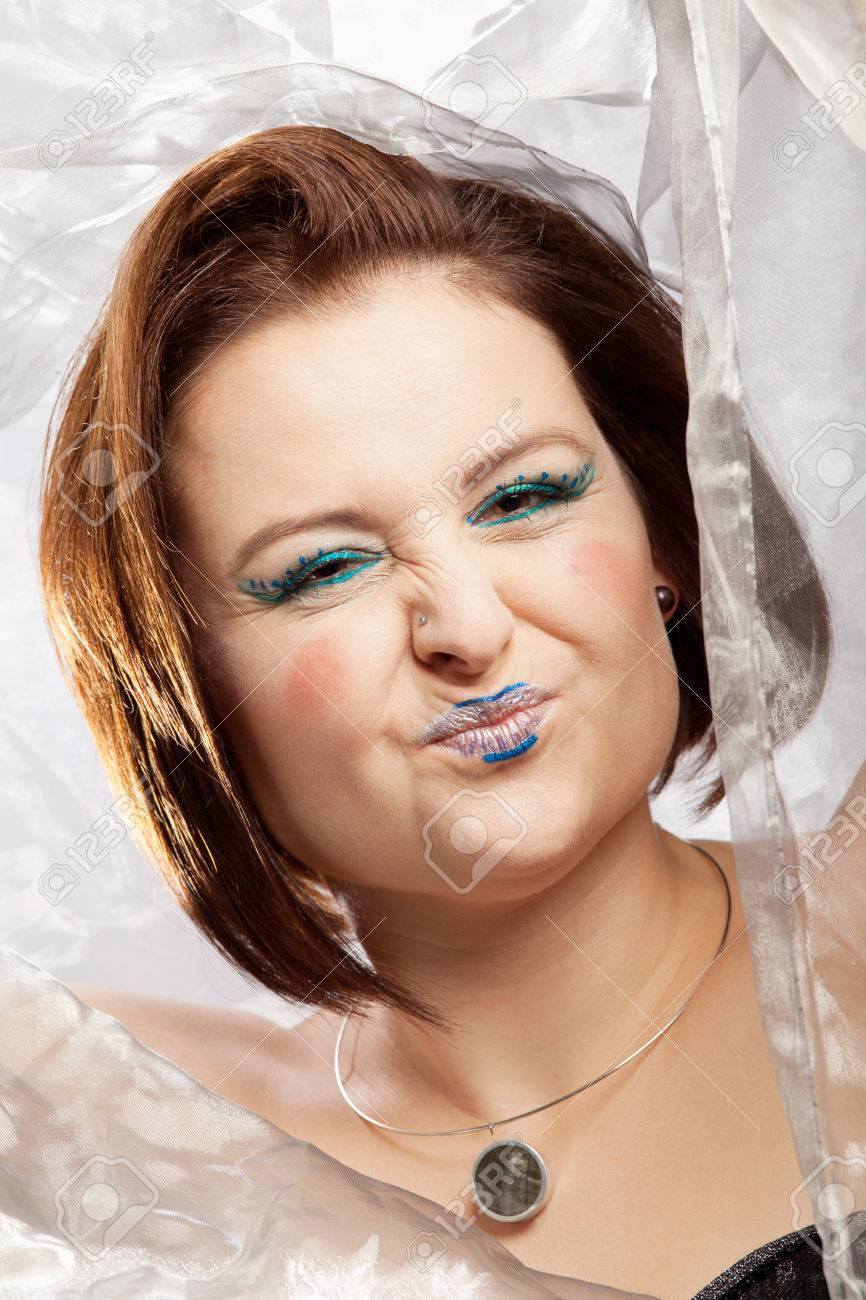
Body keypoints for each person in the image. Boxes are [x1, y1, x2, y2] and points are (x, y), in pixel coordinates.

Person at [41, 124, 836, 1298]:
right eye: (322, 569)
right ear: (192, 698)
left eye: (523, 497)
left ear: (668, 534)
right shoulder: (129, 1151)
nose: (462, 624)